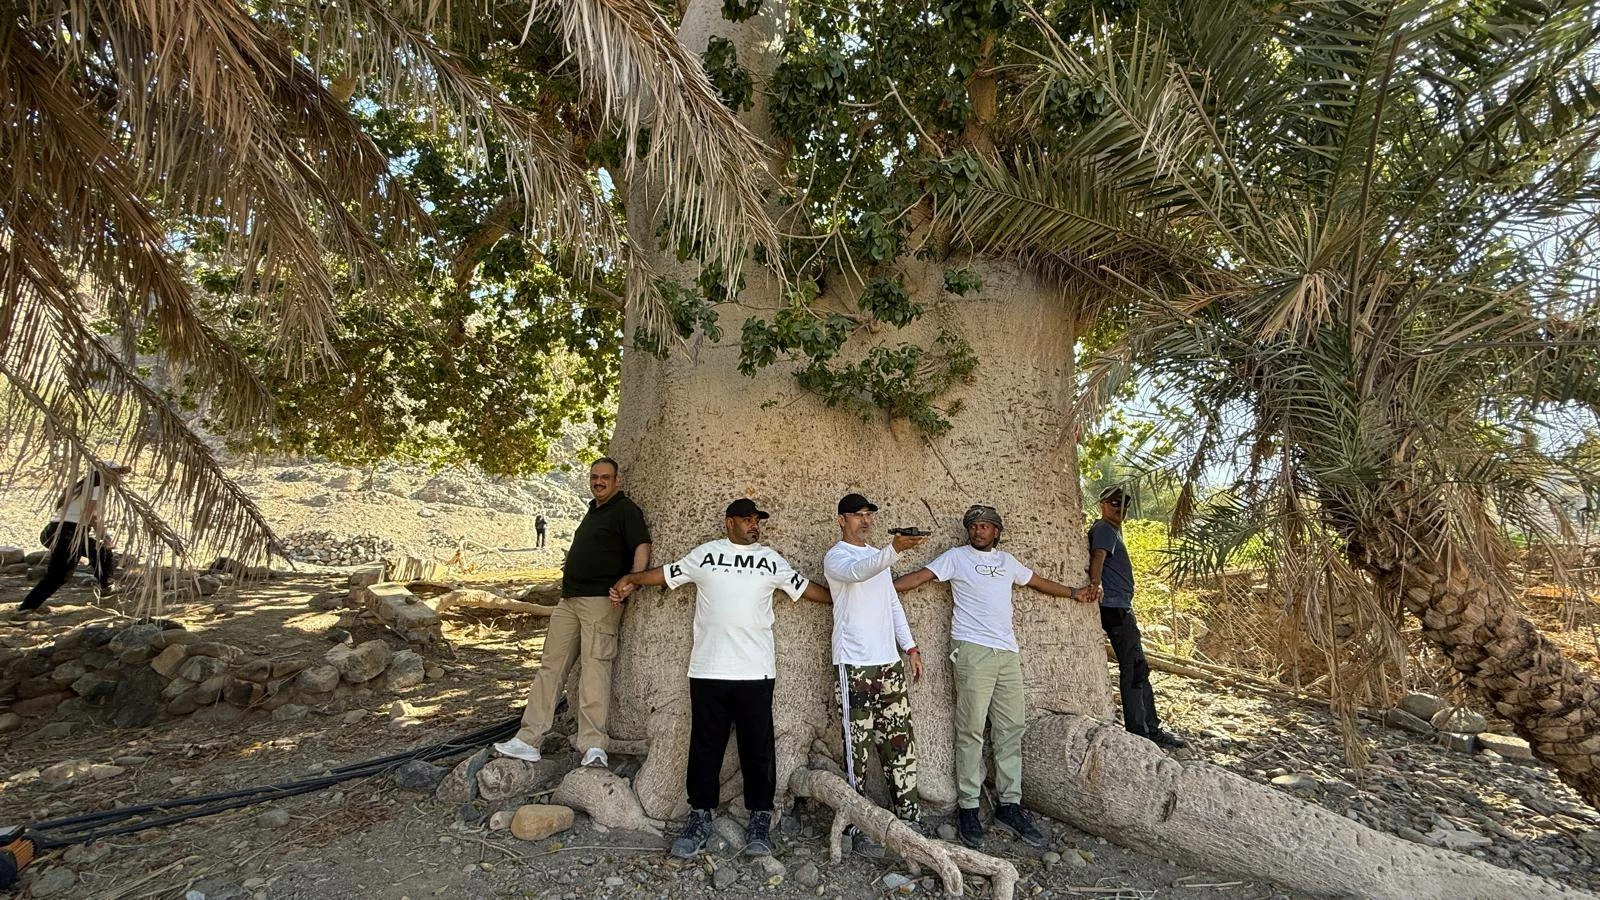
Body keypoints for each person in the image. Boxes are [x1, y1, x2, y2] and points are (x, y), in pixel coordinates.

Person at [610, 499, 832, 859]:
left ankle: (760, 819)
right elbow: (667, 574)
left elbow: (807, 589)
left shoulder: (770, 560)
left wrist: (847, 599)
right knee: (705, 748)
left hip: (755, 671)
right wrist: (632, 578)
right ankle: (699, 817)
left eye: (757, 520)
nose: (754, 525)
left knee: (757, 749)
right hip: (708, 669)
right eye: (747, 520)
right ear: (729, 523)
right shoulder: (706, 555)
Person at [893, 504, 1096, 850]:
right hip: (972, 650)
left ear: (997, 532)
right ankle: (969, 807)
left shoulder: (1007, 562)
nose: (978, 531)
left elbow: (1037, 581)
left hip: (1007, 653)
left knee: (1010, 728)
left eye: (985, 526)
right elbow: (919, 577)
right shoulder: (956, 557)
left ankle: (1009, 805)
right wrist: (878, 586)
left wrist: (1075, 592)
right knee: (971, 729)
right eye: (973, 526)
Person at [494, 458, 651, 770]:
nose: (598, 482)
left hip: (600, 602)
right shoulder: (593, 510)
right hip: (568, 602)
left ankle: (593, 746)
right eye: (594, 477)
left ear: (617, 480)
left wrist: (632, 581)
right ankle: (528, 740)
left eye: (605, 477)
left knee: (595, 671)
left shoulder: (625, 510)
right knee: (550, 668)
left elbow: (641, 546)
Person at [824, 493, 926, 831]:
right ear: (841, 520)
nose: (865, 520)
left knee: (901, 742)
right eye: (858, 514)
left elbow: (892, 603)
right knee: (857, 749)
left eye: (869, 514)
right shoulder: (836, 556)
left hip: (889, 664)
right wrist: (894, 550)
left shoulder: (878, 558)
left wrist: (910, 647)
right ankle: (854, 824)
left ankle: (909, 822)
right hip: (854, 665)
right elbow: (857, 573)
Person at [1089, 486, 1188, 750]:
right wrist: (1096, 584)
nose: (1119, 508)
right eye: (1114, 503)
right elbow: (1098, 556)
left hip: (1120, 605)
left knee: (1137, 667)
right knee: (1134, 668)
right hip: (1114, 607)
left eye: (1124, 504)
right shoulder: (1104, 529)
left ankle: (1147, 727)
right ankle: (1141, 730)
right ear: (1103, 505)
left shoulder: (1112, 530)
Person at [17, 464, 129, 614]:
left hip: (54, 530)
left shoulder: (80, 487)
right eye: (115, 472)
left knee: (100, 552)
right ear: (102, 473)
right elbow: (91, 516)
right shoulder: (96, 487)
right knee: (58, 576)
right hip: (69, 533)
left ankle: (106, 584)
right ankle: (25, 609)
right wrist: (105, 536)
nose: (118, 477)